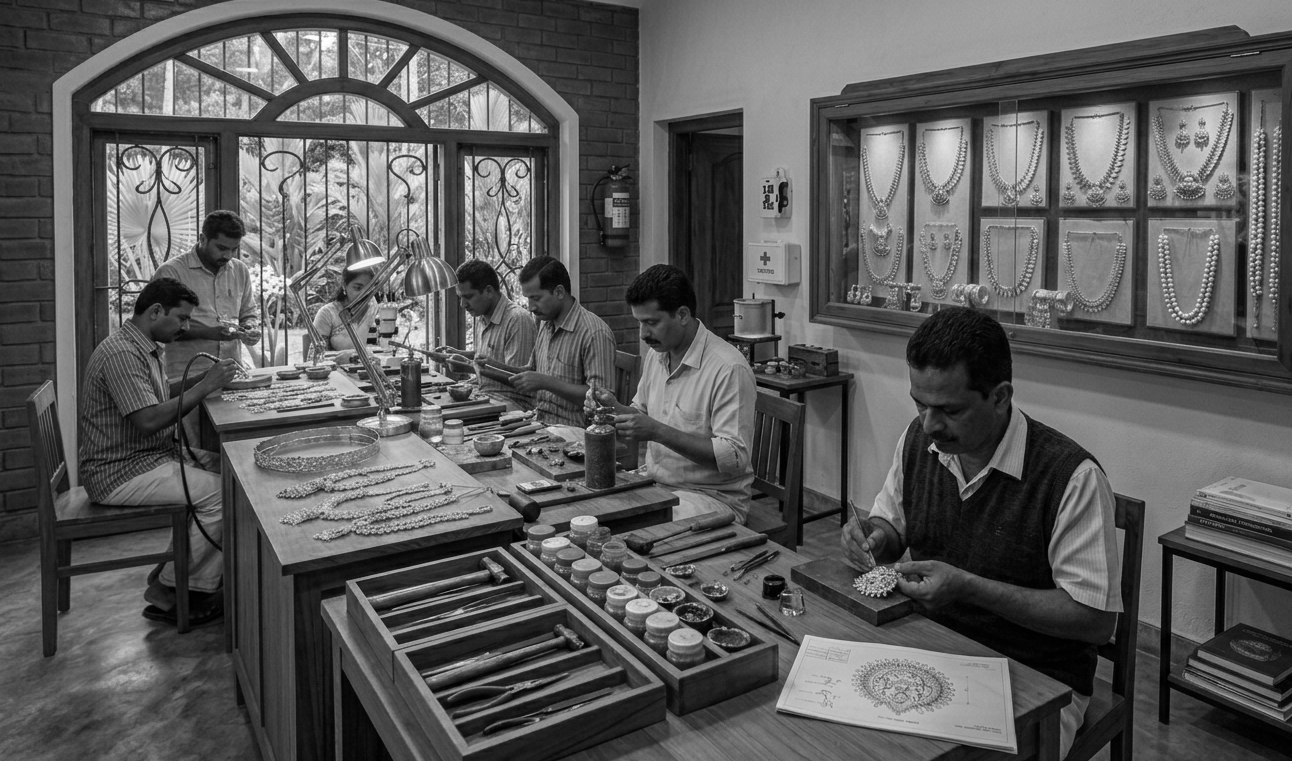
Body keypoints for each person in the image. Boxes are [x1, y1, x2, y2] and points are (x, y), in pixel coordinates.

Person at [841, 306, 1121, 760]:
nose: (930, 424)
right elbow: (891, 525)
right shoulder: (920, 440)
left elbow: (1093, 618)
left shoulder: (1071, 477)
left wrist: (969, 588)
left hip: (1036, 677)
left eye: (950, 410)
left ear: (1001, 396)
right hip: (933, 645)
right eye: (920, 403)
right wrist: (872, 536)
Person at [78, 278, 240, 626]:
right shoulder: (122, 354)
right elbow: (149, 420)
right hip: (119, 471)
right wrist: (206, 386)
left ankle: (178, 571)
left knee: (234, 473)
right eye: (181, 319)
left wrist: (204, 379)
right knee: (220, 494)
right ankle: (174, 591)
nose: (185, 328)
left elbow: (156, 394)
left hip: (144, 458)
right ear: (155, 311)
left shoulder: (141, 345)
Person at [585, 265, 756, 522]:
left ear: (683, 315)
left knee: (627, 528)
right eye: (639, 323)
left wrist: (656, 431)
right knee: (591, 512)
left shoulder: (728, 368)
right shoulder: (658, 355)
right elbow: (641, 415)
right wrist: (611, 411)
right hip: (657, 484)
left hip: (712, 497)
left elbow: (734, 457)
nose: (643, 334)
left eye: (652, 323)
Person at [480, 256, 615, 427]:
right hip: (540, 422)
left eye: (536, 298)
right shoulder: (547, 324)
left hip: (574, 431)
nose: (530, 307)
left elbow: (601, 400)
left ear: (559, 292)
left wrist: (546, 382)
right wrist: (494, 367)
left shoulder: (594, 332)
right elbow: (531, 371)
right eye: (528, 299)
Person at [151, 210, 260, 380]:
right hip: (185, 377)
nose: (228, 256)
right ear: (203, 239)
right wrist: (209, 332)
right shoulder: (172, 272)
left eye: (234, 249)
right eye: (221, 248)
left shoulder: (239, 270)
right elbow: (160, 325)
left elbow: (248, 314)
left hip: (232, 373)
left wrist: (250, 328)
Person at [434, 259, 537, 406]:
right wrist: (460, 354)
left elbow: (518, 379)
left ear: (489, 291)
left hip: (513, 402)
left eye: (468, 297)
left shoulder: (517, 320)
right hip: (485, 395)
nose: (463, 305)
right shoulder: (482, 317)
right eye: (460, 298)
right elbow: (490, 356)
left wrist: (469, 366)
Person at [311, 266, 379, 364]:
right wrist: (353, 356)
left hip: (365, 372)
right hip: (335, 375)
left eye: (369, 289)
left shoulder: (373, 309)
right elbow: (314, 358)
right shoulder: (328, 314)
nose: (364, 294)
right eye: (358, 288)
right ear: (344, 285)